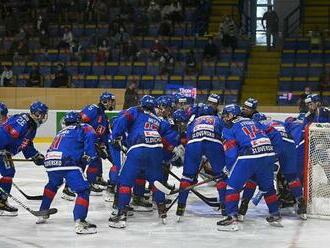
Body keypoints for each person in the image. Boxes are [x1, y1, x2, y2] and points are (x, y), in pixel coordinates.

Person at [108, 95, 174, 228]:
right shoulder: (158, 119)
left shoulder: (135, 110)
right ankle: (162, 211)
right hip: (156, 150)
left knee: (125, 182)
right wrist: (172, 149)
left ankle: (121, 214)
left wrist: (115, 136)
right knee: (156, 182)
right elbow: (170, 133)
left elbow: (122, 121)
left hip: (138, 147)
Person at [217, 104, 281, 231]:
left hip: (249, 156)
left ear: (231, 115)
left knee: (232, 186)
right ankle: (274, 213)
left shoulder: (229, 127)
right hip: (267, 154)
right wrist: (275, 154)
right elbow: (275, 134)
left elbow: (231, 153)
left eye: (225, 115)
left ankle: (231, 217)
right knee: (267, 187)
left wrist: (228, 169)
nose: (224, 118)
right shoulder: (253, 121)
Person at [37, 111, 98, 234]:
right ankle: (80, 222)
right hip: (67, 162)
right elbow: (91, 139)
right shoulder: (84, 127)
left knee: (52, 185)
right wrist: (91, 155)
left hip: (51, 161)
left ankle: (42, 212)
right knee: (83, 190)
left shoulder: (61, 132)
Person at [176, 104, 226, 221]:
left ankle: (180, 207)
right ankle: (225, 207)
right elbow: (224, 137)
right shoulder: (217, 119)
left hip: (194, 143)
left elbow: (188, 138)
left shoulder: (193, 122)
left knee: (187, 177)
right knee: (221, 176)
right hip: (214, 142)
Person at [0, 101, 48, 216]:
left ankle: (2, 200)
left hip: (3, 151)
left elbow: (25, 143)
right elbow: (4, 133)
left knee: (8, 172)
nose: (44, 117)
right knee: (8, 172)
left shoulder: (31, 125)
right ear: (37, 114)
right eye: (43, 114)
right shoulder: (23, 121)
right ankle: (1, 201)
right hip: (2, 151)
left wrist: (35, 155)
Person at [79, 92, 116, 195]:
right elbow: (80, 120)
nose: (113, 104)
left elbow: (104, 134)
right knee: (92, 159)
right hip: (85, 141)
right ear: (105, 101)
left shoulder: (103, 116)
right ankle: (89, 183)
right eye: (111, 101)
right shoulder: (93, 108)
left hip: (93, 142)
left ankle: (97, 178)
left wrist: (103, 145)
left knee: (97, 157)